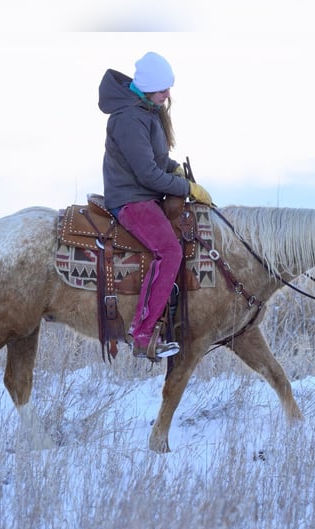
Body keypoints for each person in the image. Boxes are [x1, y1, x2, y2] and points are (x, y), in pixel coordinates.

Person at [98, 51, 212, 361]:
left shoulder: (146, 110)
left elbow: (157, 162)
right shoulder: (129, 118)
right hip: (131, 198)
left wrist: (175, 168)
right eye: (163, 89)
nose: (167, 95)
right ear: (148, 88)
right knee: (170, 250)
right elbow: (146, 173)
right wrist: (187, 188)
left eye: (168, 88)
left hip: (144, 192)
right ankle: (143, 332)